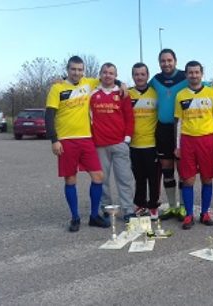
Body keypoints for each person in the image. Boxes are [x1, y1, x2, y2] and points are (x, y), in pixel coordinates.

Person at [45, 55, 108, 232]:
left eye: (80, 70)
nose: (77, 72)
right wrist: (54, 140)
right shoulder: (57, 88)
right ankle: (75, 217)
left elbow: (108, 77)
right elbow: (49, 115)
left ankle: (94, 216)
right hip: (65, 140)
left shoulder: (88, 83)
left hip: (86, 139)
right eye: (73, 69)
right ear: (67, 69)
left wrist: (123, 83)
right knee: (70, 179)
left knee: (98, 177)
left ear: (84, 71)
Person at [174, 60, 213, 230]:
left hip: (206, 140)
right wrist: (178, 146)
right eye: (190, 72)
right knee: (188, 179)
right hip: (187, 140)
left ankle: (204, 213)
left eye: (197, 72)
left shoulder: (211, 93)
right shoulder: (181, 95)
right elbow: (179, 122)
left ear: (202, 73)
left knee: (207, 178)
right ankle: (189, 215)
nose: (194, 75)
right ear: (186, 74)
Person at [89, 63, 136, 223]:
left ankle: (128, 210)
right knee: (102, 180)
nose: (108, 75)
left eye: (111, 73)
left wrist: (127, 138)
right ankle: (106, 209)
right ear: (100, 74)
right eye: (105, 72)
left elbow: (129, 117)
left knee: (124, 178)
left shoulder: (122, 93)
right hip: (100, 144)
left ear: (115, 76)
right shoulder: (92, 93)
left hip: (119, 143)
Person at [150, 49, 188, 221]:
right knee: (167, 170)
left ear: (175, 60)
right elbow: (139, 87)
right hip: (163, 130)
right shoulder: (155, 80)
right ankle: (172, 206)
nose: (166, 63)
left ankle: (182, 207)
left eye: (169, 60)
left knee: (182, 170)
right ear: (159, 63)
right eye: (163, 61)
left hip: (180, 128)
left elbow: (208, 86)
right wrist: (120, 83)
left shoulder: (185, 77)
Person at [128, 63, 161, 221]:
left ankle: (153, 205)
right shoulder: (127, 94)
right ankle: (140, 204)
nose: (139, 77)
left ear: (147, 76)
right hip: (134, 144)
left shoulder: (155, 94)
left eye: (142, 74)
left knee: (153, 178)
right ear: (132, 76)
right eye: (136, 74)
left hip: (152, 144)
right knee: (139, 177)